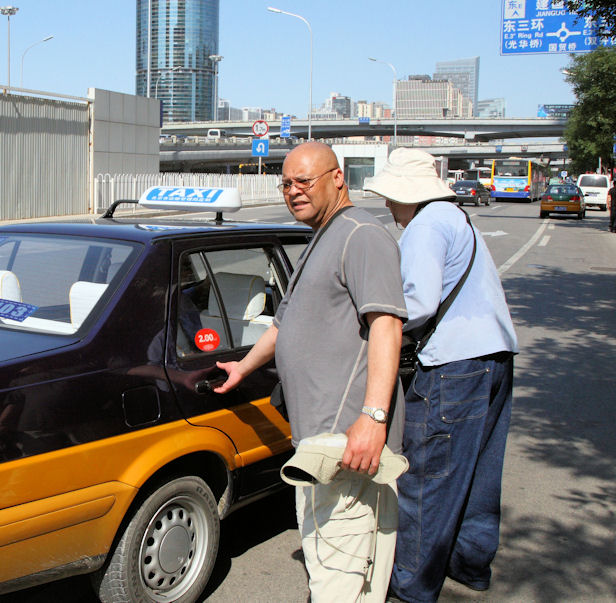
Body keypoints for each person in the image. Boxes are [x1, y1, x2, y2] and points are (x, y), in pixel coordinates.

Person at [214, 142, 407, 602]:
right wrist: (243, 366)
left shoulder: (361, 234)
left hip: (348, 446)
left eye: (305, 181)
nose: (293, 191)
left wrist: (373, 419)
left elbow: (387, 325)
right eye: (286, 184)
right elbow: (285, 324)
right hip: (317, 448)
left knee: (339, 579)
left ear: (337, 178)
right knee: (331, 569)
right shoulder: (324, 234)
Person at [365, 148, 519, 603]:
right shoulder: (456, 217)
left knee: (427, 481)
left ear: (407, 194)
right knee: (478, 473)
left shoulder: (427, 225)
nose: (389, 207)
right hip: (494, 358)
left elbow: (416, 302)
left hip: (454, 367)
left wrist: (374, 323)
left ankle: (412, 587)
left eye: (391, 198)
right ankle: (470, 563)